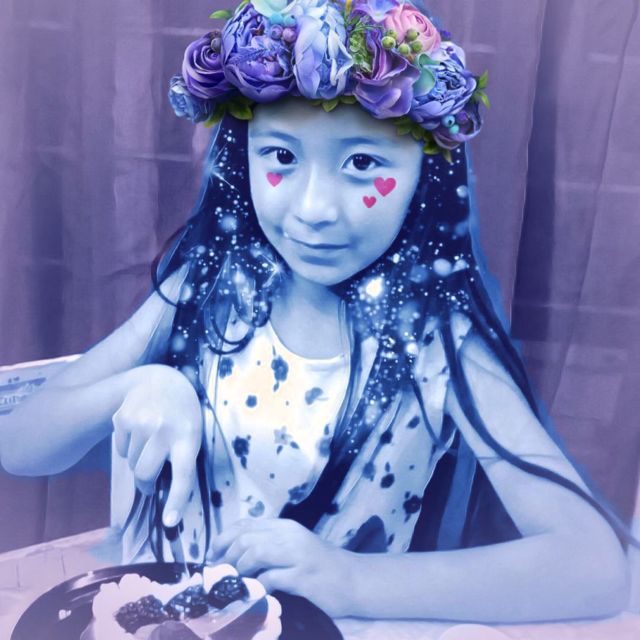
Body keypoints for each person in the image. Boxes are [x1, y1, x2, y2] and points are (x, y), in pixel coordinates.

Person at [0, 0, 632, 623]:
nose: (313, 209)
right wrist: (142, 384)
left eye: (362, 163)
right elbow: (19, 443)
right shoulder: (212, 287)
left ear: (425, 176)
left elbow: (593, 568)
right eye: (281, 156)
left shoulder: (438, 344)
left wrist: (348, 579)